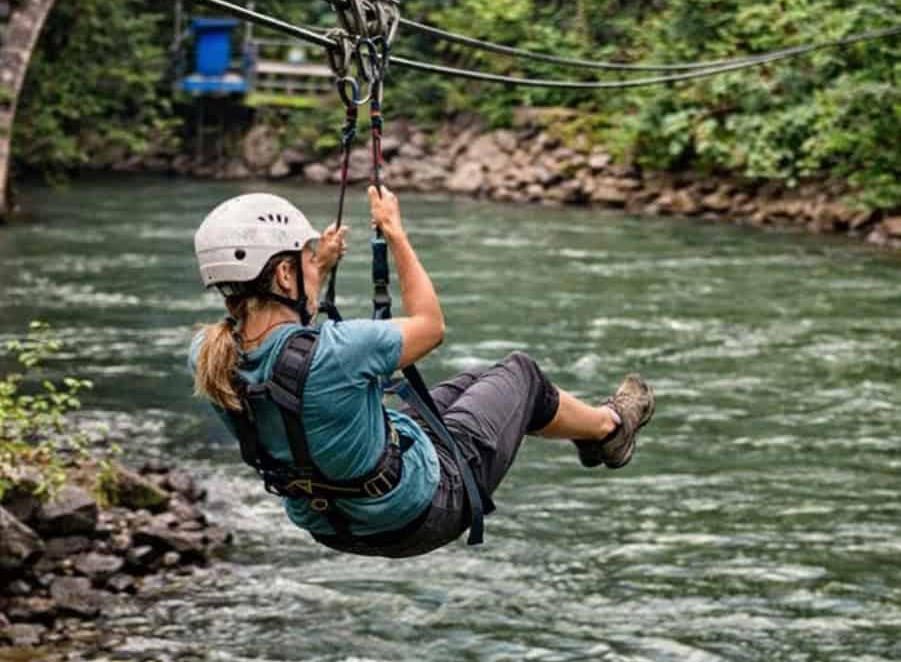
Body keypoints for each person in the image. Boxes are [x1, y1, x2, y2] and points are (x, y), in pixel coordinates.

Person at [190, 187, 656, 558]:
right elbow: (431, 327)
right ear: (286, 278)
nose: (316, 263)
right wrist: (394, 232)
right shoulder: (343, 351)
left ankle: (593, 434)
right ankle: (607, 429)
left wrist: (319, 264)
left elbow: (286, 350)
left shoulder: (210, 355)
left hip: (335, 523)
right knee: (522, 375)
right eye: (306, 258)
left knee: (478, 381)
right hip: (422, 509)